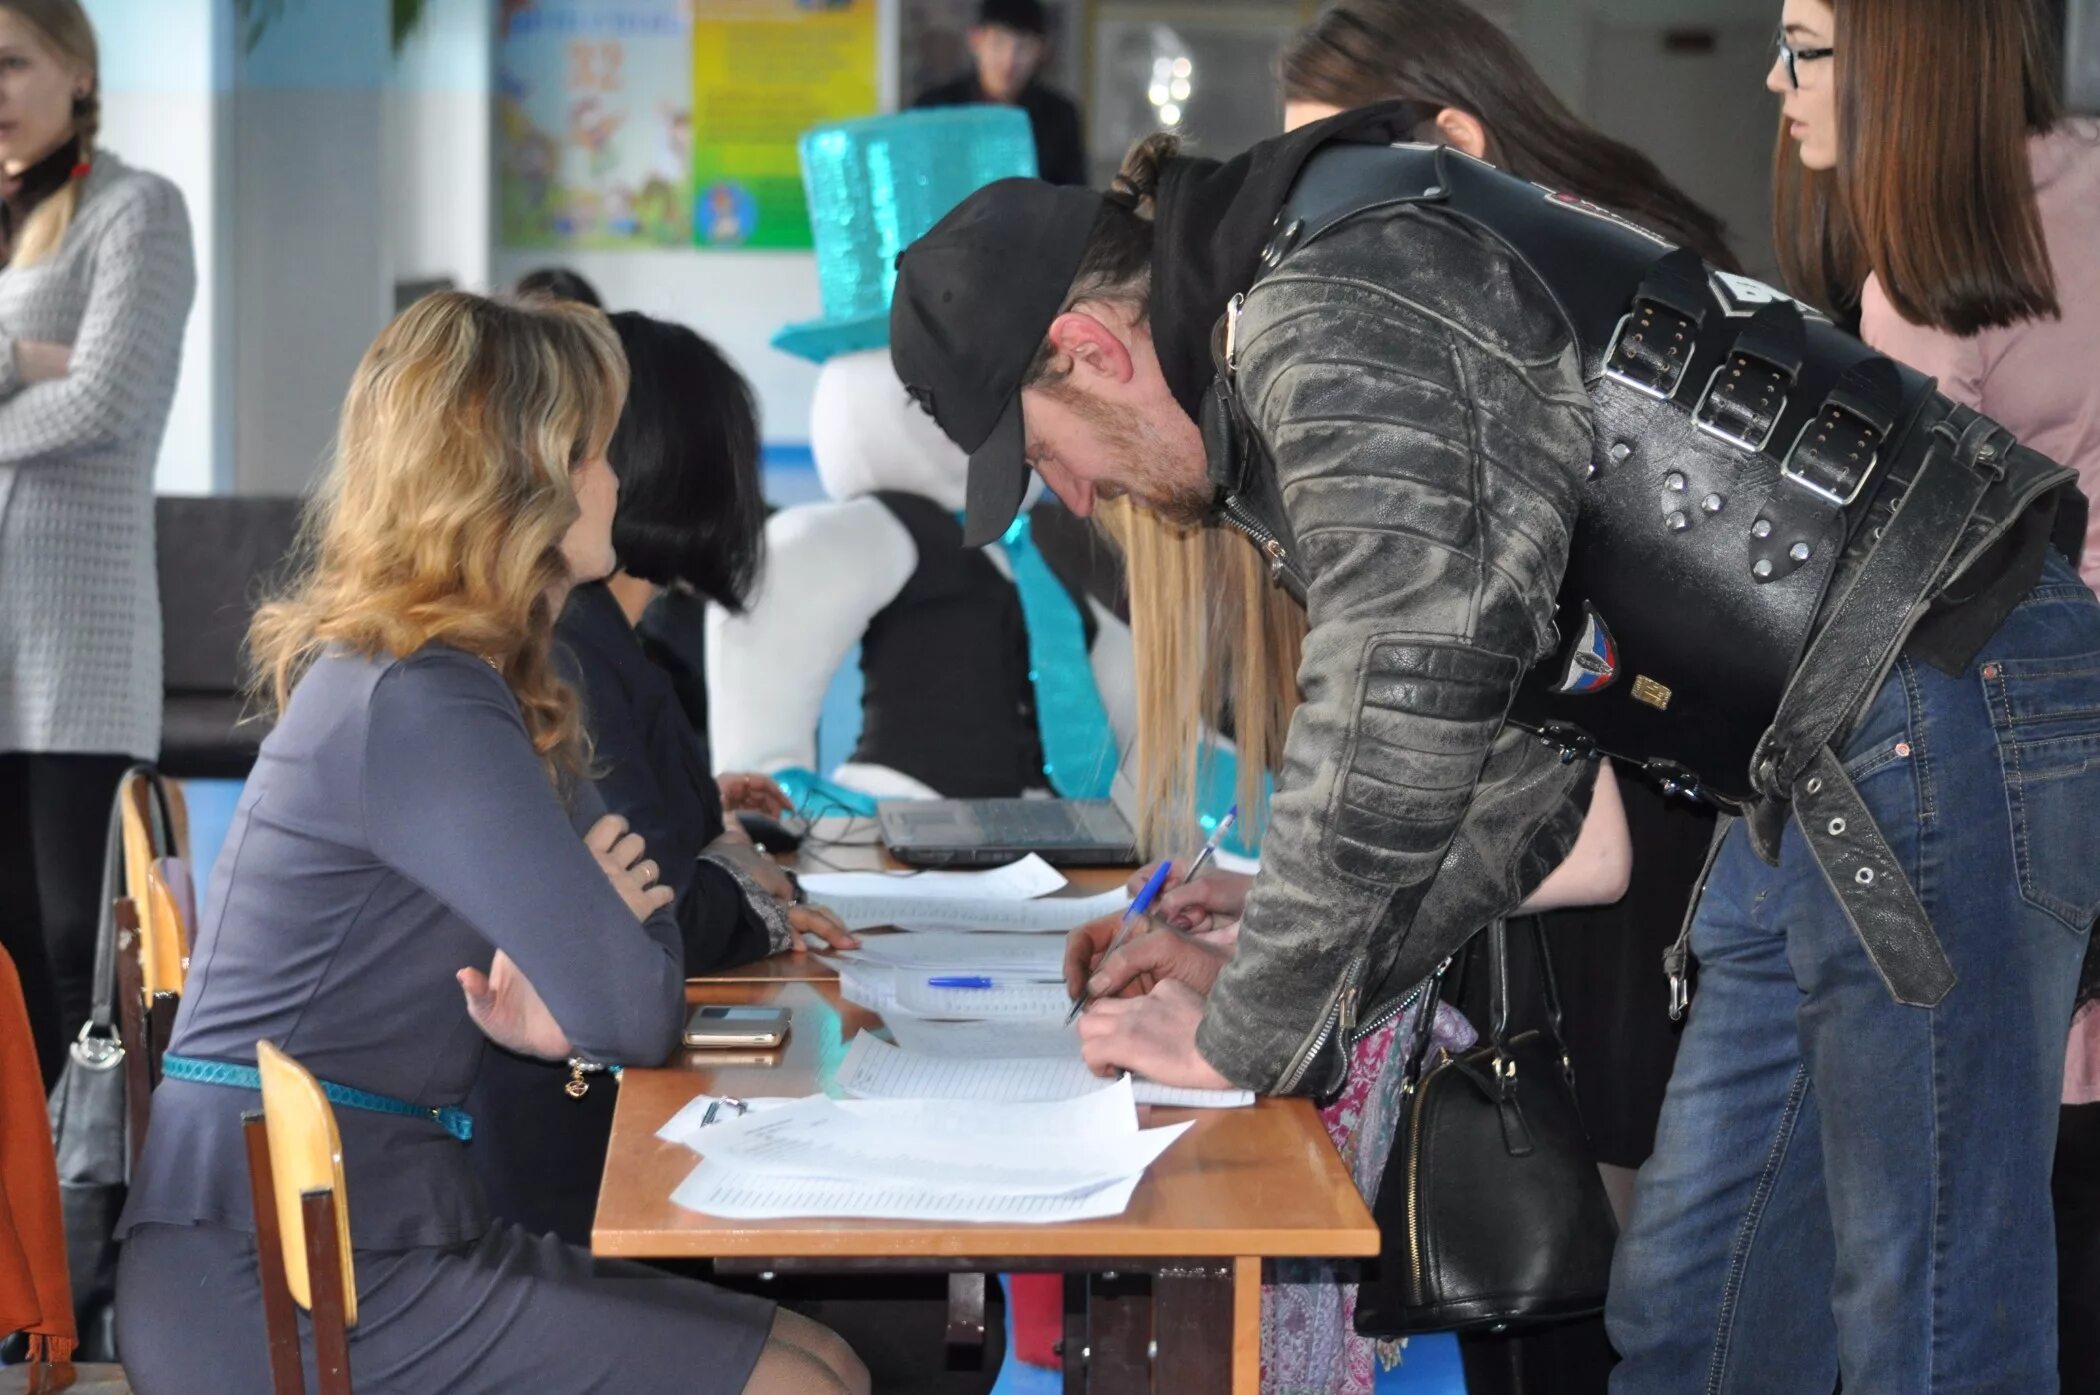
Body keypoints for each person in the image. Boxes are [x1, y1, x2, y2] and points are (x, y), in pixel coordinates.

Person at [888, 92, 2100, 1395]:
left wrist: (1250, 1025)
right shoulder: (1316, 278)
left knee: (1926, 1315)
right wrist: (1302, 951)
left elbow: (1399, 678)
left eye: (1047, 456)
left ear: (1088, 347)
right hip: (1821, 739)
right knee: (1699, 1305)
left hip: (1931, 690)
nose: (1075, 497)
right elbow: (1519, 740)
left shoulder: (1326, 310)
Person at [112, 292, 868, 1395]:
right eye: (597, 452)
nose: (615, 479)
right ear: (527, 479)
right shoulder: (425, 700)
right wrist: (607, 936)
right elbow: (631, 1007)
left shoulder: (458, 678)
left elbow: (603, 986)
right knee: (799, 1383)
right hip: (287, 1275)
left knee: (821, 1357)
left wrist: (597, 954)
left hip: (362, 1228)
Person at [1750, 2, 2100, 1388]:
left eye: (1808, 45)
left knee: (1936, 1269)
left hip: (2010, 755)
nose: (1777, 84)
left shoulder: (1941, 271)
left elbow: (1881, 603)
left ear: (1909, 52)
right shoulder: (2072, 180)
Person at [467, 309, 856, 1251]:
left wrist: (715, 825)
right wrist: (752, 892)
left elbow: (642, 848)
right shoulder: (577, 650)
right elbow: (654, 912)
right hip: (576, 1158)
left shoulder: (610, 640)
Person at [709, 107, 1133, 811]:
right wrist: (829, 823)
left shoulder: (1044, 546)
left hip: (1056, 842)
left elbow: (1135, 698)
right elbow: (762, 722)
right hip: (914, 830)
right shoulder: (879, 533)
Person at [0, 0, 195, 1090]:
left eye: (13, 62)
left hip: (78, 652)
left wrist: (52, 374)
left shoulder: (136, 210)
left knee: (86, 970)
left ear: (78, 73)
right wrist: (26, 358)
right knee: (2, 969)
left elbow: (109, 402)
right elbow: (63, 398)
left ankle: (110, 1235)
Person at [913, 0, 1085, 187]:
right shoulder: (935, 108)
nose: (1009, 60)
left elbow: (1075, 199)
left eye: (1024, 46)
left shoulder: (1060, 116)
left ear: (1041, 50)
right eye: (998, 42)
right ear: (976, 40)